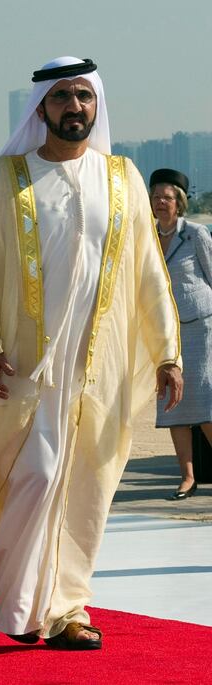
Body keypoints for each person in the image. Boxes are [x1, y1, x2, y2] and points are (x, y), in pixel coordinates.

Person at [0, 57, 183, 651]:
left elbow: (150, 273)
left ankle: (61, 609)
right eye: (63, 97)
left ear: (96, 105)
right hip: (29, 366)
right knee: (35, 475)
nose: (75, 107)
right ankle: (15, 587)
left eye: (85, 97)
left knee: (87, 487)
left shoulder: (122, 176)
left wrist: (168, 353)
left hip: (99, 366)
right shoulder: (9, 178)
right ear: (41, 108)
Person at [150, 168, 212, 499]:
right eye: (156, 196)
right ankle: (187, 477)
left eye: (167, 197)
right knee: (173, 403)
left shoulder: (196, 234)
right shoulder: (145, 236)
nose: (160, 202)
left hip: (201, 328)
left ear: (180, 202)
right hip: (165, 333)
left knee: (205, 401)